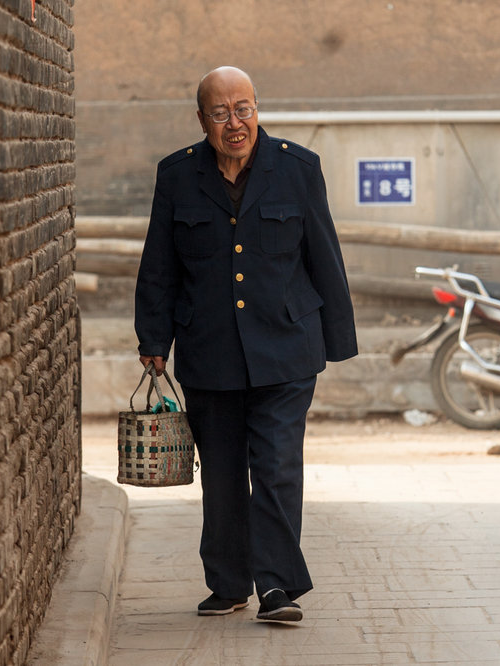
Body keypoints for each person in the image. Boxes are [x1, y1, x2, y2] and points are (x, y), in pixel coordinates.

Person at [134, 66, 358, 622]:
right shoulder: (178, 176)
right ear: (201, 118)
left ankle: (277, 586)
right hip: (210, 350)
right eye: (220, 112)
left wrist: (337, 339)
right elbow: (159, 263)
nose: (235, 123)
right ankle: (230, 583)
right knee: (224, 472)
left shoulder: (298, 168)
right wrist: (153, 337)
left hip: (286, 346)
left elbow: (323, 255)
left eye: (244, 108)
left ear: (258, 108)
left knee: (278, 464)